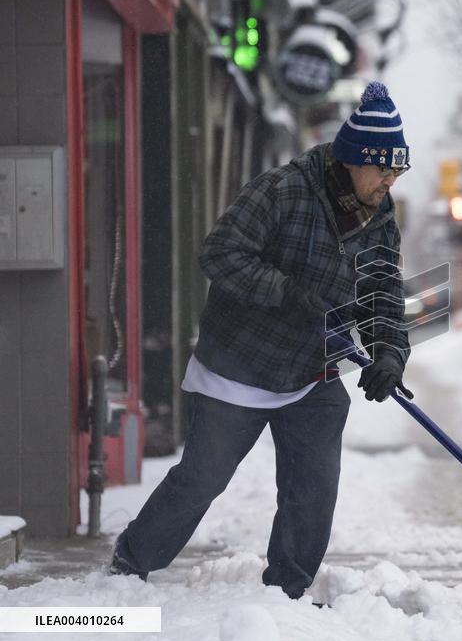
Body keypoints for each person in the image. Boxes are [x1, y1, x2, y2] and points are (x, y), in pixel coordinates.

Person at [107, 82, 412, 602]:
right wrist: (284, 291)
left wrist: (389, 353)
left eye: (397, 171)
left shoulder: (378, 218)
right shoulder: (283, 190)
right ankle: (130, 561)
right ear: (352, 160)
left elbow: (383, 294)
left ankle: (286, 593)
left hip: (312, 371)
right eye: (382, 169)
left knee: (313, 489)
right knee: (202, 479)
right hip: (240, 366)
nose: (389, 181)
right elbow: (220, 254)